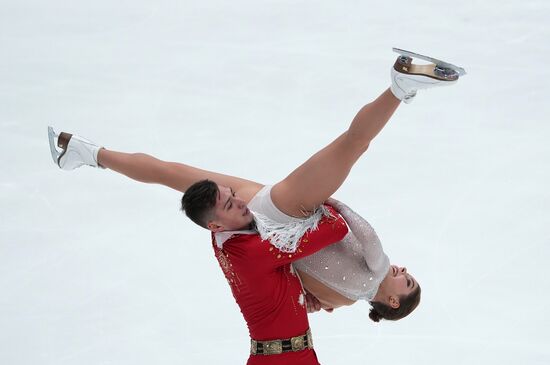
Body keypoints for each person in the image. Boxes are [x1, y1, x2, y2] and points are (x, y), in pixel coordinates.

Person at [48, 50, 461, 364]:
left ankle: (399, 86)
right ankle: (85, 153)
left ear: (390, 301)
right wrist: (311, 297)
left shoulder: (371, 270)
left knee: (351, 145)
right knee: (173, 174)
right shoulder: (341, 302)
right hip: (270, 220)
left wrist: (326, 201)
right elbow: (295, 279)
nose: (402, 270)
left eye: (405, 281)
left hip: (287, 210)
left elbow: (353, 228)